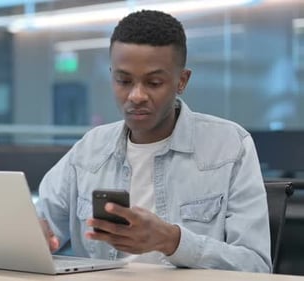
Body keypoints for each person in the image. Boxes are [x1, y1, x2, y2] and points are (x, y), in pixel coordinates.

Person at [35, 9, 271, 273]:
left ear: (181, 81)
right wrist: (33, 234)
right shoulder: (90, 149)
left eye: (154, 82)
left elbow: (256, 266)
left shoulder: (229, 146)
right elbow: (41, 223)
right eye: (123, 81)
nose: (136, 95)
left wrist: (172, 240)